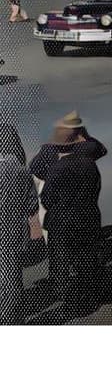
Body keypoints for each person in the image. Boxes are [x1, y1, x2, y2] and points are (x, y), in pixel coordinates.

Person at [40, 125, 104, 316]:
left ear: (58, 147)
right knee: (85, 261)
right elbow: (96, 189)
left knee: (60, 262)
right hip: (87, 217)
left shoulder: (56, 168)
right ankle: (88, 296)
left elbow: (47, 199)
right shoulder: (90, 164)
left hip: (62, 222)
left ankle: (65, 300)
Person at [0, 120, 38, 325]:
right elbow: (32, 206)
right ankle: (14, 319)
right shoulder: (22, 171)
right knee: (13, 278)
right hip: (15, 233)